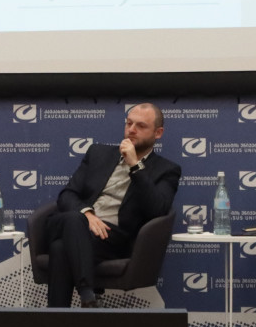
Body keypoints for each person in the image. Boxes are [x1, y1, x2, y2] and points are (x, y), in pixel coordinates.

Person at [44, 102, 181, 308]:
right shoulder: (98, 153)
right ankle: (87, 295)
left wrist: (135, 165)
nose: (131, 130)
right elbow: (67, 194)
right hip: (70, 222)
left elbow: (157, 210)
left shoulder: (167, 169)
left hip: (109, 238)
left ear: (158, 133)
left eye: (141, 126)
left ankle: (56, 320)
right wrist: (88, 215)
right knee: (74, 219)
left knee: (60, 248)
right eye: (129, 123)